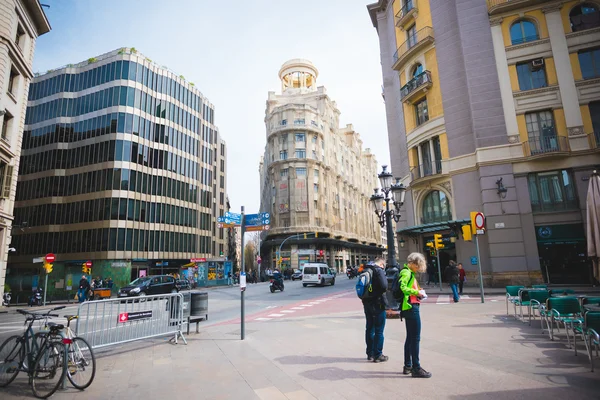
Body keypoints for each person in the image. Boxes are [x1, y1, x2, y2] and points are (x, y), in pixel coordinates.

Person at [399, 252, 432, 378]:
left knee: (410, 338)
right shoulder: (406, 272)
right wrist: (417, 292)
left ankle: (408, 365)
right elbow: (403, 288)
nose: (418, 268)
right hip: (411, 307)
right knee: (415, 338)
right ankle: (416, 368)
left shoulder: (408, 272)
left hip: (409, 307)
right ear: (412, 263)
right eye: (417, 265)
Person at [362, 257, 388, 363]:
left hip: (366, 302)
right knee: (379, 330)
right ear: (381, 264)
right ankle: (378, 354)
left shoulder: (365, 269)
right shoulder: (378, 270)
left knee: (369, 328)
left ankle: (370, 353)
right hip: (377, 303)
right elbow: (384, 286)